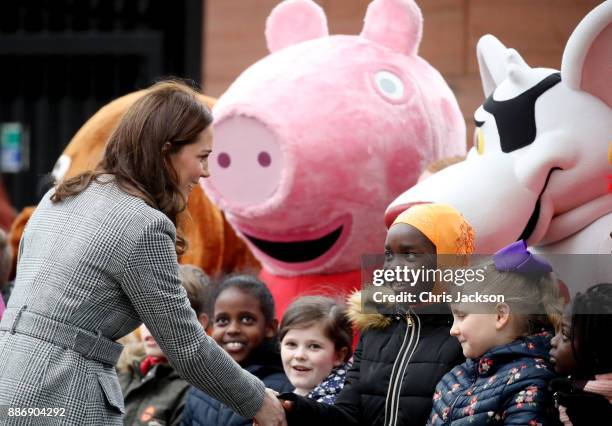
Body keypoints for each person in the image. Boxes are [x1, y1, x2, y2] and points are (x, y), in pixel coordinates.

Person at [0, 80, 285, 426]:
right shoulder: (144, 225)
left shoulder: (59, 196)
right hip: (64, 391)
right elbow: (186, 345)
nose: (206, 172)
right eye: (202, 157)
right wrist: (257, 401)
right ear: (167, 152)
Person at [279, 203, 473, 425]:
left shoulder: (469, 333)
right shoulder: (375, 328)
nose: (393, 268)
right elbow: (348, 416)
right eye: (389, 255)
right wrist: (294, 407)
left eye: (409, 255)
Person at [428, 240, 563, 425]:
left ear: (500, 315)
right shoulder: (452, 379)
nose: (453, 330)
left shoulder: (532, 380)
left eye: (461, 316)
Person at [181, 274, 293, 425]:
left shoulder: (284, 390)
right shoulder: (200, 388)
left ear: (270, 327)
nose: (232, 329)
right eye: (223, 320)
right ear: (211, 326)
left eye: (247, 319)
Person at [119, 264, 211, 426]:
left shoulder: (197, 392)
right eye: (143, 312)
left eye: (163, 315)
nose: (149, 324)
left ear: (199, 323)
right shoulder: (123, 372)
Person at [549, 283, 612, 425]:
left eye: (565, 334)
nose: (553, 341)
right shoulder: (571, 385)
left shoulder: (584, 410)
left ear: (596, 349)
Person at [279, 296, 353, 404]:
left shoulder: (335, 405)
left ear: (339, 355)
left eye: (314, 346)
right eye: (291, 344)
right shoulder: (303, 391)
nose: (299, 355)